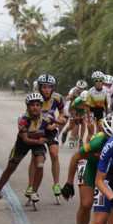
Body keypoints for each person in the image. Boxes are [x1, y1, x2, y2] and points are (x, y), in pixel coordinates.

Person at [0, 93, 57, 209]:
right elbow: (26, 139)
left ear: (41, 106)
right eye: (32, 105)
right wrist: (40, 141)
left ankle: (34, 191)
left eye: (38, 105)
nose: (35, 107)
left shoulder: (47, 118)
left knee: (40, 164)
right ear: (27, 107)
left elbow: (54, 130)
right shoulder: (23, 119)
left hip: (38, 142)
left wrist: (53, 129)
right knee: (10, 168)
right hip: (23, 144)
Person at [61, 113, 113, 224]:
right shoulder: (97, 142)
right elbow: (76, 157)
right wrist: (69, 182)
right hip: (90, 168)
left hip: (110, 173)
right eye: (109, 138)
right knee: (86, 204)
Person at [36, 73, 67, 201]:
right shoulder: (35, 98)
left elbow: (63, 115)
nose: (46, 90)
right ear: (39, 87)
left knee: (54, 154)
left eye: (49, 87)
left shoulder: (58, 98)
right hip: (37, 129)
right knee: (37, 160)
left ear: (53, 88)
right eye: (44, 87)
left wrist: (55, 123)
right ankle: (33, 187)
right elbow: (29, 116)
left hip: (51, 129)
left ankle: (56, 184)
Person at [86, 71, 110, 136]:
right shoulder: (90, 91)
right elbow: (87, 107)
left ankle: (98, 142)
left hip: (101, 111)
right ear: (94, 82)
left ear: (103, 81)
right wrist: (88, 120)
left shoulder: (106, 90)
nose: (98, 82)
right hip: (92, 111)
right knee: (91, 130)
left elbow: (107, 104)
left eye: (100, 80)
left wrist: (108, 116)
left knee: (101, 128)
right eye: (96, 81)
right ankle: (88, 144)